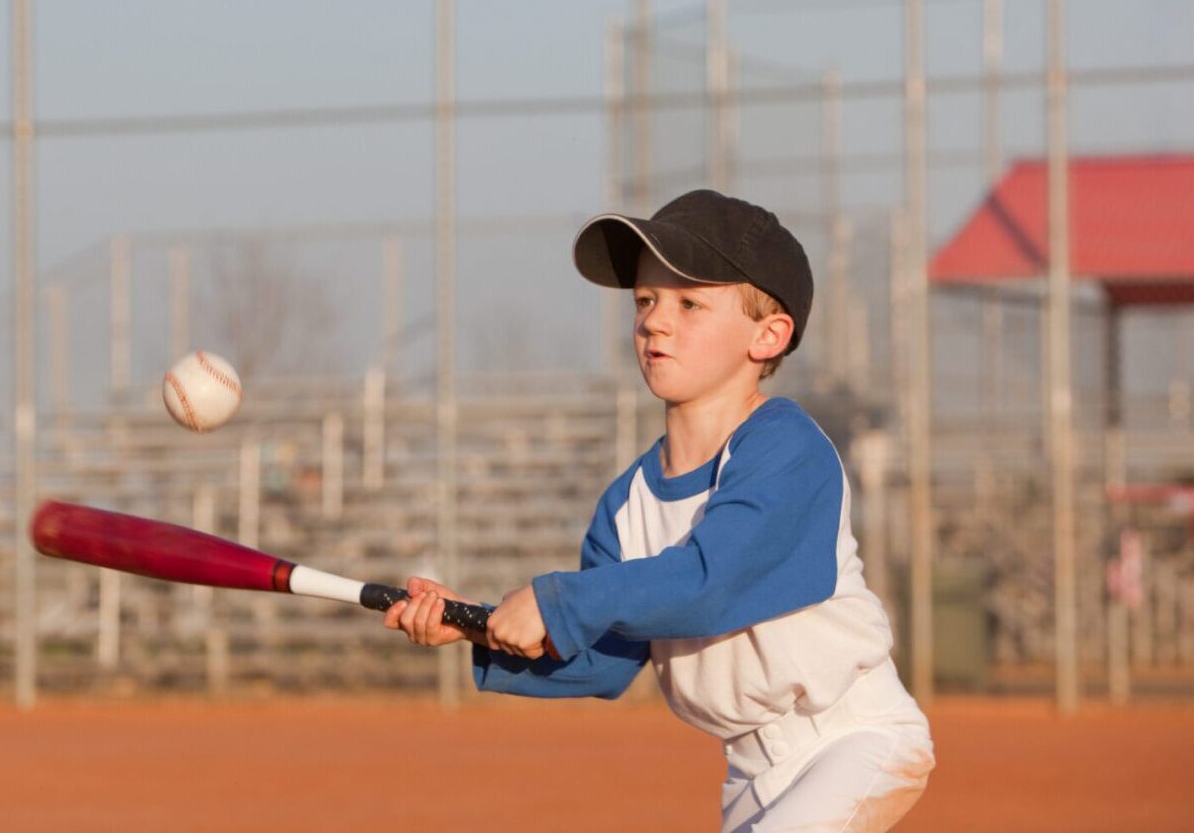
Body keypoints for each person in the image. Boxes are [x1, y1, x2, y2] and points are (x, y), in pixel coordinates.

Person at [385, 189, 934, 832]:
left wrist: (559, 599)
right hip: (750, 776)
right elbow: (609, 658)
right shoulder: (626, 504)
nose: (654, 321)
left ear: (768, 335)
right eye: (645, 300)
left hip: (853, 738)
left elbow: (710, 579)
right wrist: (476, 626)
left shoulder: (786, 449)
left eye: (689, 303)